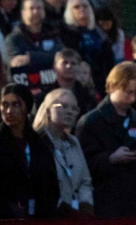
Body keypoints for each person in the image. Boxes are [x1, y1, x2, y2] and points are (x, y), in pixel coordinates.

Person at [76, 61, 136, 218]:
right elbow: (81, 169)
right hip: (105, 209)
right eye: (127, 92)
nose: (131, 98)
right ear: (112, 87)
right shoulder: (91, 122)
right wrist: (109, 159)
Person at [0, 84, 59, 219]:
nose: (9, 111)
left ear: (27, 107)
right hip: (4, 223)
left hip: (38, 221)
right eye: (5, 105)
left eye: (16, 105)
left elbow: (50, 185)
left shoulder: (39, 143)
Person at [33, 88, 94, 217]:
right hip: (49, 217)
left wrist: (86, 207)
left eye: (74, 108)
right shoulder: (36, 143)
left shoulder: (73, 142)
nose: (70, 112)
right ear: (48, 111)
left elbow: (85, 181)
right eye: (64, 106)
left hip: (77, 217)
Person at [61, 0, 114, 92]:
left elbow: (108, 59)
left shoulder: (99, 33)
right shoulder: (65, 33)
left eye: (85, 6)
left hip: (101, 81)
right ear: (70, 11)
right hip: (77, 82)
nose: (82, 8)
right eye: (77, 7)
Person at [5, 0, 64, 71]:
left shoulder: (53, 34)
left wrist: (30, 58)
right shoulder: (13, 39)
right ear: (23, 13)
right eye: (31, 8)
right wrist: (48, 57)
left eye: (39, 8)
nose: (36, 12)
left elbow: (61, 57)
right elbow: (16, 64)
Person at [53, 49, 98, 116]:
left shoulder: (87, 95)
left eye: (73, 63)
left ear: (79, 68)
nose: (69, 66)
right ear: (55, 68)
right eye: (64, 63)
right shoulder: (46, 94)